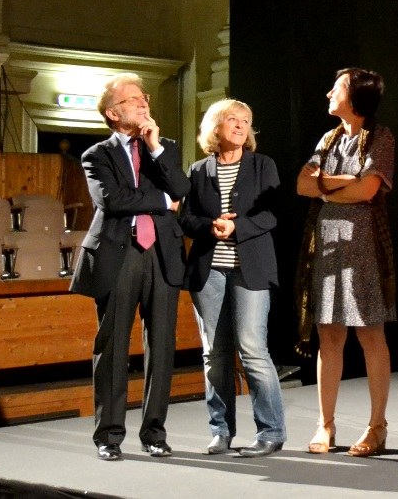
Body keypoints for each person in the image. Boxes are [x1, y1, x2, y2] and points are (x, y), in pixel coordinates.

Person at [70, 73, 190, 461]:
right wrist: (161, 201)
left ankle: (154, 431)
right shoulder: (97, 155)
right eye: (135, 100)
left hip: (161, 255)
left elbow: (182, 190)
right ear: (113, 112)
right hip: (118, 254)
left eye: (145, 99)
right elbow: (113, 200)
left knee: (162, 347)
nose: (144, 104)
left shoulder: (165, 148)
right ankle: (109, 435)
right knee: (113, 346)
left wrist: (155, 150)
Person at [295, 68, 396, 457]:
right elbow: (303, 184)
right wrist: (342, 184)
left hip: (363, 245)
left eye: (336, 88)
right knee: (330, 335)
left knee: (370, 334)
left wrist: (326, 188)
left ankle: (377, 426)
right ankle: (326, 424)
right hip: (328, 244)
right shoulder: (328, 137)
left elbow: (369, 189)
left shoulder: (381, 137)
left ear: (355, 96)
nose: (328, 93)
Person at [180, 99, 287, 458]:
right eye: (232, 119)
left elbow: (273, 214)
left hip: (250, 269)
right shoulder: (198, 170)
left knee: (253, 350)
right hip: (208, 272)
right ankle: (220, 431)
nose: (241, 126)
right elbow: (186, 218)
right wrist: (210, 226)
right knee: (215, 354)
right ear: (215, 126)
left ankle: (271, 432)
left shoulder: (262, 165)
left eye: (246, 121)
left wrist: (235, 226)